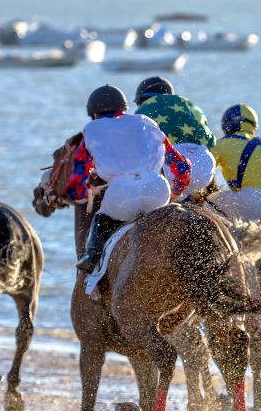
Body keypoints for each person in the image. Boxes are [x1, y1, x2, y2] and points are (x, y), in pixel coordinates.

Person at [71, 84, 191, 273]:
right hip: (158, 189)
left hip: (122, 194)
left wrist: (78, 193)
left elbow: (79, 171)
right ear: (124, 108)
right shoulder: (145, 122)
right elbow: (182, 165)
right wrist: (177, 191)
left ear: (93, 112)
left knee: (101, 217)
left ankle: (92, 259)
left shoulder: (91, 129)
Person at [132, 76, 217, 198]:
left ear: (141, 100)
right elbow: (211, 141)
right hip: (204, 168)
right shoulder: (187, 104)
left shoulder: (142, 111)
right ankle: (207, 196)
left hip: (171, 170)